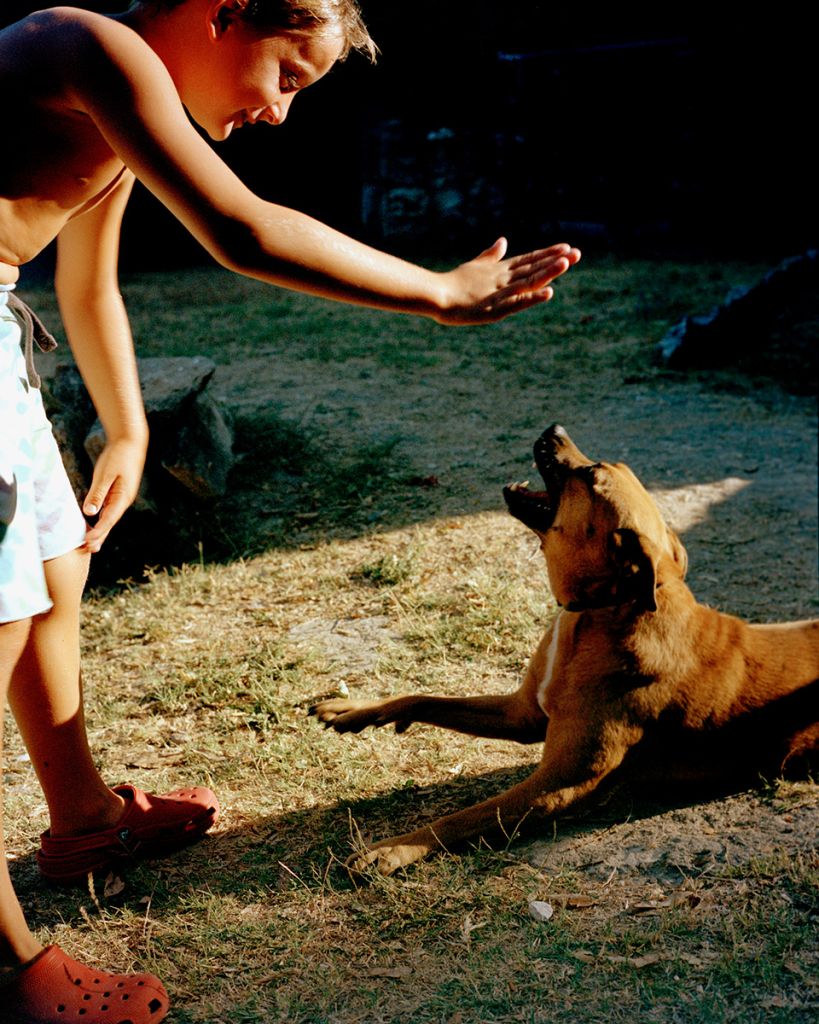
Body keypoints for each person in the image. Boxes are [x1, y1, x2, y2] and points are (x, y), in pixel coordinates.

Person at [0, 1, 581, 1019]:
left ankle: (84, 818)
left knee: (55, 570)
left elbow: (88, 286)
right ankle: (5, 970)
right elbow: (240, 230)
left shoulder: (128, 96)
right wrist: (440, 292)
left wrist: (128, 428)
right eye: (288, 76)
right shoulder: (87, 46)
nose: (279, 113)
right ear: (225, 13)